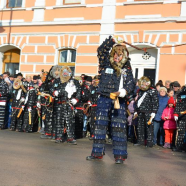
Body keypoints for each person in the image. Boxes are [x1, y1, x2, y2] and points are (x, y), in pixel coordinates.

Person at [86, 36, 135, 164]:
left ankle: (119, 156)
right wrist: (112, 40)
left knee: (118, 128)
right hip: (103, 98)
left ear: (123, 56)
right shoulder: (105, 63)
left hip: (119, 100)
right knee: (99, 127)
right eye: (115, 55)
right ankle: (97, 153)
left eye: (119, 55)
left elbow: (130, 84)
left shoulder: (126, 68)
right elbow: (101, 50)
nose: (116, 57)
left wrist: (123, 92)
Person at [51, 66, 81, 144]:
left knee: (70, 121)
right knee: (59, 121)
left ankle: (70, 137)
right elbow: (51, 89)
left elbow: (79, 91)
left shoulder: (75, 82)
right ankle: (59, 137)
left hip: (69, 104)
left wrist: (76, 99)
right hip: (60, 104)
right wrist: (55, 92)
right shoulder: (57, 81)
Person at [134, 76, 159, 147]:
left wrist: (154, 112)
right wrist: (136, 110)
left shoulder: (153, 91)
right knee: (139, 127)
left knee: (149, 128)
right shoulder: (141, 91)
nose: (144, 83)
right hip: (140, 111)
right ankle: (140, 141)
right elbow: (138, 101)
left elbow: (155, 102)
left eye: (145, 82)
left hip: (149, 112)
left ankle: (149, 142)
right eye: (143, 82)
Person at [173, 85, 186, 152]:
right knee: (180, 132)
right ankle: (179, 147)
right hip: (182, 116)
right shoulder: (182, 94)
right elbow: (178, 104)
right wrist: (176, 113)